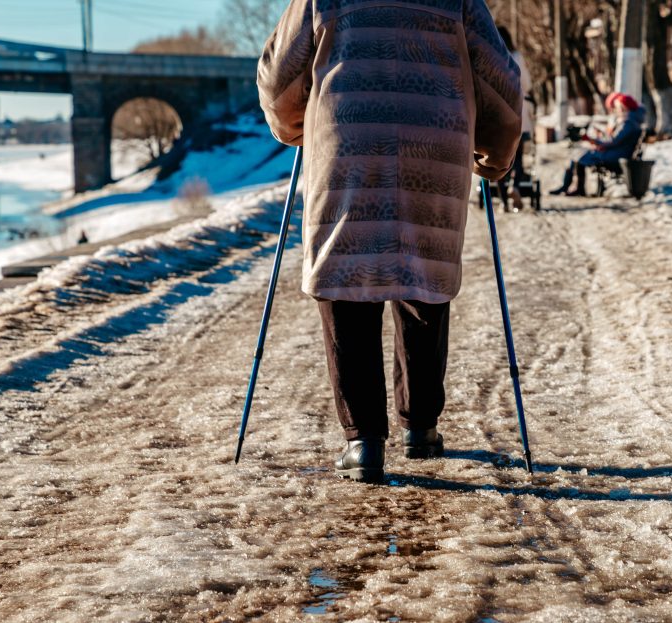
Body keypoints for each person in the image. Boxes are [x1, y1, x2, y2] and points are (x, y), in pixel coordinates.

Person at [257, 0, 522, 483]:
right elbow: (499, 78)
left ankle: (363, 443)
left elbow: (280, 77)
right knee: (424, 274)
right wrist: (495, 153)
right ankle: (420, 427)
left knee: (345, 281)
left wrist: (294, 126)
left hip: (348, 144)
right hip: (435, 144)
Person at [549, 92, 646, 197]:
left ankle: (572, 187)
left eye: (618, 107)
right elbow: (615, 140)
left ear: (624, 107)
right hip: (615, 152)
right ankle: (574, 187)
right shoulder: (629, 121)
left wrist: (594, 140)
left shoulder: (628, 123)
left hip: (616, 156)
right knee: (578, 155)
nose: (616, 110)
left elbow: (613, 141)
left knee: (579, 156)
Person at [496, 25, 533, 211]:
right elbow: (526, 84)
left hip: (497, 116)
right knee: (517, 157)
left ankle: (503, 202)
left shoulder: (491, 56)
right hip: (518, 114)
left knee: (499, 160)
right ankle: (516, 187)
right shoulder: (517, 57)